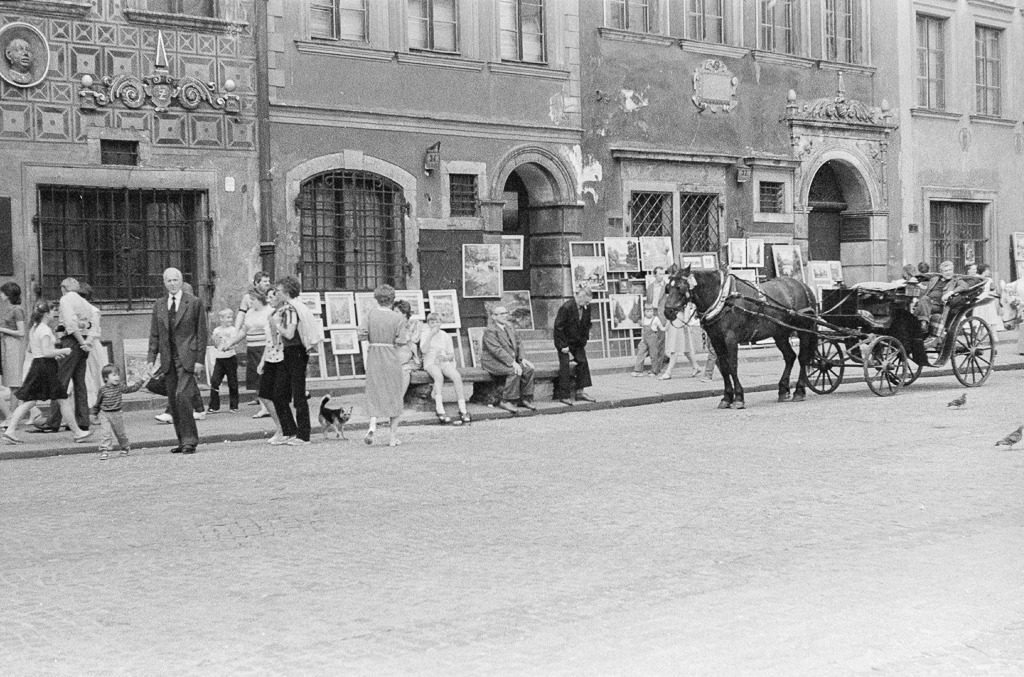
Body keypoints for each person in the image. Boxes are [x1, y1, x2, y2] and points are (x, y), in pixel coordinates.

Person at [3, 301, 91, 444]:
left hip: (38, 365)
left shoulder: (34, 328)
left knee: (30, 401)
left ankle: (10, 430)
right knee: (62, 399)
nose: (53, 314)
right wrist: (63, 350)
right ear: (46, 314)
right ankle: (78, 432)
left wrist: (54, 353)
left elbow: (33, 350)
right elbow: (46, 352)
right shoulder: (44, 330)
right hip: (46, 367)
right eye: (51, 311)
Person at [147, 267, 208, 455]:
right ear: (164, 283)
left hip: (187, 357)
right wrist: (151, 358)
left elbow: (201, 333)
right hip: (168, 357)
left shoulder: (194, 302)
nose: (172, 284)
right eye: (168, 281)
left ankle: (190, 440)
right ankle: (182, 441)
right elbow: (155, 334)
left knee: (182, 396)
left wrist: (199, 360)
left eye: (175, 280)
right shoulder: (159, 304)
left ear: (181, 282)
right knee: (174, 399)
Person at [35, 277, 93, 433]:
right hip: (83, 344)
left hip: (71, 342)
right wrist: (85, 342)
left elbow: (70, 325)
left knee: (60, 380)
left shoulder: (66, 299)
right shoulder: (83, 302)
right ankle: (83, 420)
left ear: (64, 288)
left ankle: (53, 421)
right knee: (80, 383)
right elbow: (88, 322)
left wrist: (79, 341)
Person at [270, 276, 317, 446]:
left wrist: (276, 324)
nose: (276, 293)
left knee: (297, 394)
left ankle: (303, 435)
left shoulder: (290, 309)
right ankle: (290, 431)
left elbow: (289, 334)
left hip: (295, 352)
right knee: (279, 393)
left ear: (287, 292)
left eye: (279, 291)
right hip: (291, 352)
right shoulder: (293, 307)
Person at [358, 284, 405, 447]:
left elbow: (362, 334)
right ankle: (392, 437)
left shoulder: (370, 314)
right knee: (394, 393)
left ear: (376, 298)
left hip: (374, 354)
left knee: (375, 390)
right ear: (392, 299)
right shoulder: (398, 317)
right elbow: (401, 340)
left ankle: (372, 425)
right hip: (391, 354)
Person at [154, 280, 206, 423]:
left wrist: (199, 359)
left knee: (181, 388)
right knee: (184, 384)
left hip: (188, 352)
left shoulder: (194, 306)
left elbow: (201, 333)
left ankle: (172, 411)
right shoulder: (165, 307)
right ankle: (199, 409)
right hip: (172, 354)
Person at [481, 304, 536, 414]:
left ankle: (525, 398)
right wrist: (512, 363)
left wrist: (522, 359)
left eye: (504, 313)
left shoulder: (509, 327)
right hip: (493, 362)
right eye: (499, 314)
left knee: (528, 369)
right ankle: (507, 400)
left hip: (509, 360)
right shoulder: (490, 331)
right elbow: (497, 350)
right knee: (514, 371)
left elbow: (519, 343)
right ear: (493, 317)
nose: (503, 316)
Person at [420, 312, 470, 424]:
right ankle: (439, 408)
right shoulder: (425, 334)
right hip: (430, 360)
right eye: (432, 322)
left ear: (440, 323)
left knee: (456, 377)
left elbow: (451, 354)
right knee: (438, 377)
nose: (435, 325)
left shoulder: (445, 336)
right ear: (428, 324)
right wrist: (430, 335)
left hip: (443, 360)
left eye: (437, 322)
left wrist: (445, 357)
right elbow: (423, 350)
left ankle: (462, 409)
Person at [256, 288, 289, 444]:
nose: (269, 300)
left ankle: (285, 429)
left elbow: (285, 336)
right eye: (267, 297)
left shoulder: (285, 313)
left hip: (282, 358)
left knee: (277, 396)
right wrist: (263, 360)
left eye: (271, 297)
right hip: (270, 358)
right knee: (264, 394)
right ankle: (280, 427)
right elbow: (269, 342)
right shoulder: (271, 315)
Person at [234, 271, 273, 406]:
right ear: (256, 282)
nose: (268, 283)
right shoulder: (248, 297)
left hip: (264, 341)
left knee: (263, 371)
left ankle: (265, 401)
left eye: (268, 281)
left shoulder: (271, 295)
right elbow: (241, 314)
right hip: (252, 338)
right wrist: (235, 331)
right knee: (255, 371)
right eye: (264, 281)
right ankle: (259, 398)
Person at [90, 365, 144, 460]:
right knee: (105, 432)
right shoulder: (102, 390)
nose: (117, 377)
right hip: (105, 413)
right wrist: (94, 413)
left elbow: (132, 389)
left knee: (120, 433)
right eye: (114, 375)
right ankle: (104, 449)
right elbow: (98, 402)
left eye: (118, 375)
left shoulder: (120, 387)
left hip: (117, 413)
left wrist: (142, 381)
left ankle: (125, 447)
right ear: (106, 378)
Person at [553, 287, 595, 406]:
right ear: (579, 296)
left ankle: (580, 391)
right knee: (565, 365)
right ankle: (564, 395)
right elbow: (558, 328)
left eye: (588, 302)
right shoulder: (566, 307)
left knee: (583, 362)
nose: (587, 304)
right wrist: (562, 346)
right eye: (586, 301)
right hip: (565, 342)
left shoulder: (587, 307)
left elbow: (587, 323)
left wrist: (584, 339)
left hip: (577, 342)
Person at [915, 260, 971, 348]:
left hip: (940, 306)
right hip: (927, 304)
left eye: (950, 270)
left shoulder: (956, 280)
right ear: (941, 272)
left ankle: (923, 324)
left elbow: (965, 286)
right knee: (919, 302)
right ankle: (921, 325)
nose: (948, 272)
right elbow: (924, 288)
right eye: (946, 271)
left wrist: (950, 293)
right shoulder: (934, 279)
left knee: (924, 299)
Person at [78, 283, 109, 408]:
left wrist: (87, 343)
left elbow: (94, 330)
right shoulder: (74, 312)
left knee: (95, 376)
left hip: (91, 346)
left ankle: (96, 407)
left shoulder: (94, 311)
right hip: (80, 344)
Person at [207, 308, 240, 413]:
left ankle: (234, 406)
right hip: (220, 359)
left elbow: (235, 344)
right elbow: (216, 345)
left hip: (230, 358)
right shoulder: (217, 330)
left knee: (232, 382)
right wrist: (216, 340)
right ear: (221, 319)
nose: (230, 319)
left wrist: (227, 346)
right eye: (228, 317)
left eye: (231, 317)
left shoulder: (233, 330)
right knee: (215, 381)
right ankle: (214, 406)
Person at [660, 301, 702, 379]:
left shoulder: (681, 294)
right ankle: (696, 366)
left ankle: (668, 372)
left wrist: (686, 319)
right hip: (673, 319)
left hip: (679, 320)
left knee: (675, 348)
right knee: (685, 348)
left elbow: (686, 305)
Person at [393, 299, 422, 397]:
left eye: (396, 312)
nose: (393, 314)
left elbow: (414, 339)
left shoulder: (414, 323)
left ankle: (399, 399)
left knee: (404, 372)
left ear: (404, 313)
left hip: (410, 357)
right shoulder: (393, 324)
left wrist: (401, 337)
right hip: (396, 354)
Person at [0, 281, 25, 389]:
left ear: (8, 294)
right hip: (7, 345)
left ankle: (15, 407)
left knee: (14, 383)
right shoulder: (10, 309)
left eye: (2, 292)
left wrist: (1, 329)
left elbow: (21, 332)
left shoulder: (17, 310)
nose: (0, 295)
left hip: (14, 346)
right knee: (9, 381)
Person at [631, 305, 665, 377]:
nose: (649, 313)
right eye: (647, 311)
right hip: (645, 339)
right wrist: (642, 339)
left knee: (653, 355)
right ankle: (638, 370)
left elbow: (661, 328)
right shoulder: (643, 320)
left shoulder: (655, 319)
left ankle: (654, 371)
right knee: (641, 353)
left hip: (653, 338)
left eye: (651, 311)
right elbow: (643, 330)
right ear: (644, 312)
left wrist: (668, 327)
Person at [973, 263, 1003, 339]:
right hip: (979, 300)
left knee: (992, 317)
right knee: (979, 318)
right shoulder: (975, 278)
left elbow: (993, 289)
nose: (989, 272)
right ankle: (978, 335)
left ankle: (994, 335)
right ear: (984, 270)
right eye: (987, 270)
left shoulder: (989, 280)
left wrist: (993, 291)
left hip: (988, 300)